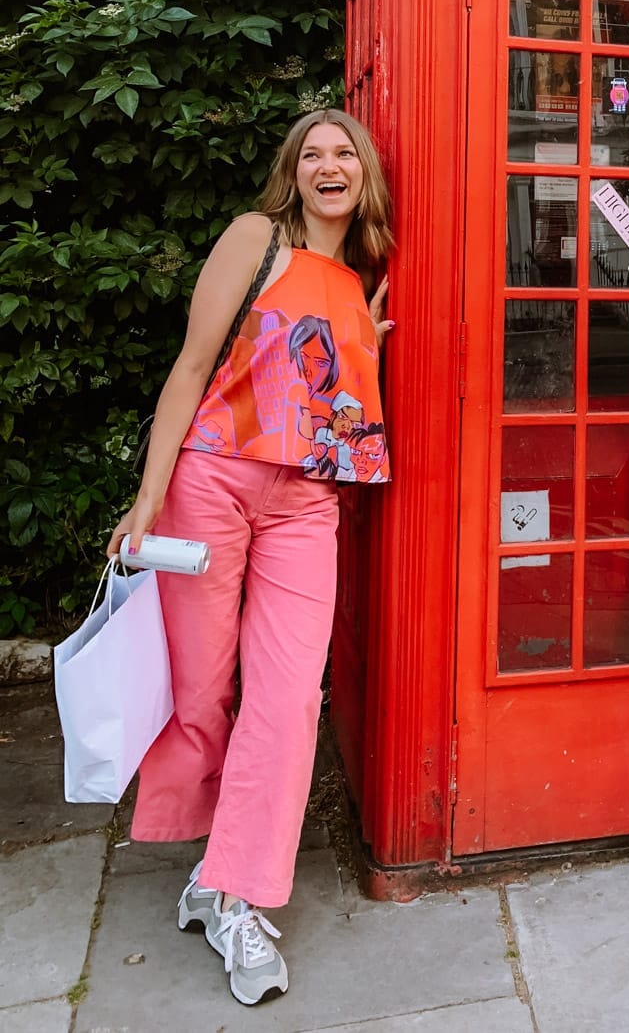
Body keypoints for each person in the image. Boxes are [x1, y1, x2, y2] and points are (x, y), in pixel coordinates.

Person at [107, 108, 394, 1004]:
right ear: (292, 173)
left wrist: (366, 346)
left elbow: (335, 402)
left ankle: (237, 894)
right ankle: (209, 869)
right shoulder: (254, 239)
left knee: (290, 697)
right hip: (213, 483)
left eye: (344, 151)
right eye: (312, 153)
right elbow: (192, 370)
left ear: (365, 173)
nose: (328, 163)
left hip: (306, 502)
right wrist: (147, 497)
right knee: (202, 689)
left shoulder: (358, 283)